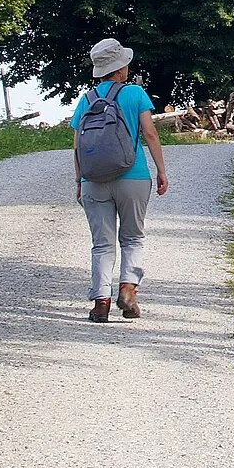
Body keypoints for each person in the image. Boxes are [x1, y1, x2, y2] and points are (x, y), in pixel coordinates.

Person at [71, 38, 168, 322]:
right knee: (133, 237)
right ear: (121, 67)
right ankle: (127, 288)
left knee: (101, 243)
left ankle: (100, 302)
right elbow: (150, 133)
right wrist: (161, 170)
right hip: (133, 177)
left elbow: (77, 144)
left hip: (93, 179)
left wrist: (79, 180)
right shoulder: (135, 93)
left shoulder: (86, 99)